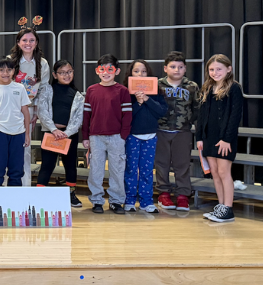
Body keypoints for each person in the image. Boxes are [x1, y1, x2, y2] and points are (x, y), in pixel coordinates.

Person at [82, 54, 133, 214]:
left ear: (116, 71)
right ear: (97, 71)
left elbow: (127, 114)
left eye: (110, 69)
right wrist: (85, 136)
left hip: (116, 137)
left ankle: (116, 201)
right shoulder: (91, 90)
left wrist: (123, 135)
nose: (106, 73)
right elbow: (86, 115)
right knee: (95, 169)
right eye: (102, 69)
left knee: (117, 169)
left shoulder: (122, 91)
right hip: (96, 136)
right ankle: (97, 200)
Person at [197, 55, 245, 225]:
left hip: (225, 139)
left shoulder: (234, 89)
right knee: (215, 173)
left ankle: (228, 209)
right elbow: (202, 115)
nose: (215, 73)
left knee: (224, 172)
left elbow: (235, 116)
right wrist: (200, 137)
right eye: (211, 69)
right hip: (209, 138)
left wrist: (226, 139)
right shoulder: (207, 88)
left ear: (229, 69)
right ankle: (221, 206)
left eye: (219, 69)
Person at [156, 51, 200, 213]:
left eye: (180, 67)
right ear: (165, 68)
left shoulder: (192, 86)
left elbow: (197, 109)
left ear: (185, 69)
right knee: (162, 164)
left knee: (182, 165)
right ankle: (164, 193)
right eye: (173, 67)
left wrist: (191, 123)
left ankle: (183, 195)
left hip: (183, 132)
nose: (176, 70)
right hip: (161, 130)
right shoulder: (157, 85)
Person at [37, 60, 85, 209]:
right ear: (54, 75)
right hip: (50, 133)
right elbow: (42, 111)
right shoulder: (47, 90)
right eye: (62, 72)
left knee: (71, 166)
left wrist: (66, 133)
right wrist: (54, 130)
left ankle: (70, 194)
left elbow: (78, 118)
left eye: (69, 71)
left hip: (68, 135)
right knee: (47, 165)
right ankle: (40, 194)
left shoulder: (77, 95)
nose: (66, 75)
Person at [124, 60, 168, 214]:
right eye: (136, 71)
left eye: (143, 71)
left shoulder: (156, 91)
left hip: (151, 136)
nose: (140, 74)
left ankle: (146, 201)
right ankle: (129, 200)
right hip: (132, 137)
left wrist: (148, 100)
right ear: (131, 74)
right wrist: (138, 103)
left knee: (147, 170)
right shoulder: (126, 92)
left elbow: (162, 112)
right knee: (130, 169)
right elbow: (126, 116)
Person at [10, 27, 52, 187]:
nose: (28, 43)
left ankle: (24, 186)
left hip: (31, 109)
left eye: (31, 40)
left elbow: (43, 90)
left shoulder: (42, 63)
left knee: (25, 148)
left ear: (36, 43)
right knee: (11, 148)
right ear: (18, 42)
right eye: (24, 40)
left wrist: (37, 112)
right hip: (11, 110)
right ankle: (10, 185)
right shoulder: (10, 60)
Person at [0, 57, 32, 188]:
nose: (5, 73)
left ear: (14, 71)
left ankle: (13, 199)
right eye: (1, 70)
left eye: (9, 70)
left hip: (18, 133)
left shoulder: (20, 88)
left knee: (16, 168)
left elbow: (25, 112)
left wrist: (27, 134)